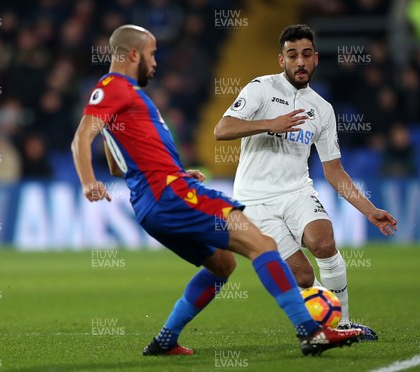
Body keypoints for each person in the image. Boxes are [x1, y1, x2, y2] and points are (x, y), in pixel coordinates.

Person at [71, 24, 363, 357]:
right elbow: (81, 137)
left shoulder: (128, 102)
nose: (155, 62)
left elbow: (116, 165)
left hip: (152, 206)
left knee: (222, 264)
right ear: (133, 54)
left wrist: (176, 171)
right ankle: (312, 332)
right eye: (152, 54)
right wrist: (87, 181)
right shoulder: (114, 86)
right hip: (172, 195)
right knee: (262, 243)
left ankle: (165, 340)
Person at [214, 24, 398, 340]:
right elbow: (222, 129)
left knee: (324, 242)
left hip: (297, 191)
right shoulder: (260, 88)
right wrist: (271, 124)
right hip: (256, 200)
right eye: (292, 55)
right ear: (281, 60)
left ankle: (342, 325)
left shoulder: (322, 110)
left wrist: (368, 210)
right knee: (303, 274)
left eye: (306, 55)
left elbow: (334, 171)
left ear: (316, 60)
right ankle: (317, 325)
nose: (300, 61)